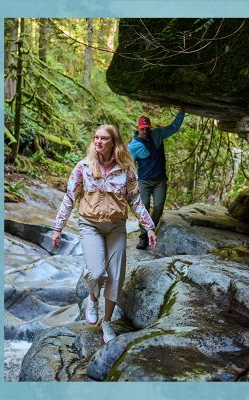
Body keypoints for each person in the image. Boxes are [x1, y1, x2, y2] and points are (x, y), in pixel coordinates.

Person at [51, 124, 156, 344]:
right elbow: (70, 197)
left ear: (114, 142)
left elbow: (135, 200)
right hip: (90, 225)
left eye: (104, 138)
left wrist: (149, 226)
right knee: (96, 273)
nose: (98, 142)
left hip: (117, 227)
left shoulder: (126, 169)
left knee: (116, 277)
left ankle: (107, 322)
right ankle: (92, 298)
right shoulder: (83, 167)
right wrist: (58, 228)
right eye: (96, 138)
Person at [128, 106, 185, 249]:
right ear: (137, 128)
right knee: (144, 206)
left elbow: (174, 127)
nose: (145, 131)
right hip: (144, 181)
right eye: (142, 129)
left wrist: (182, 112)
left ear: (150, 127)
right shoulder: (133, 146)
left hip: (160, 180)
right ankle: (143, 236)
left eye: (147, 128)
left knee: (158, 206)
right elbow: (128, 165)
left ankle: (149, 231)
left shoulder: (158, 134)